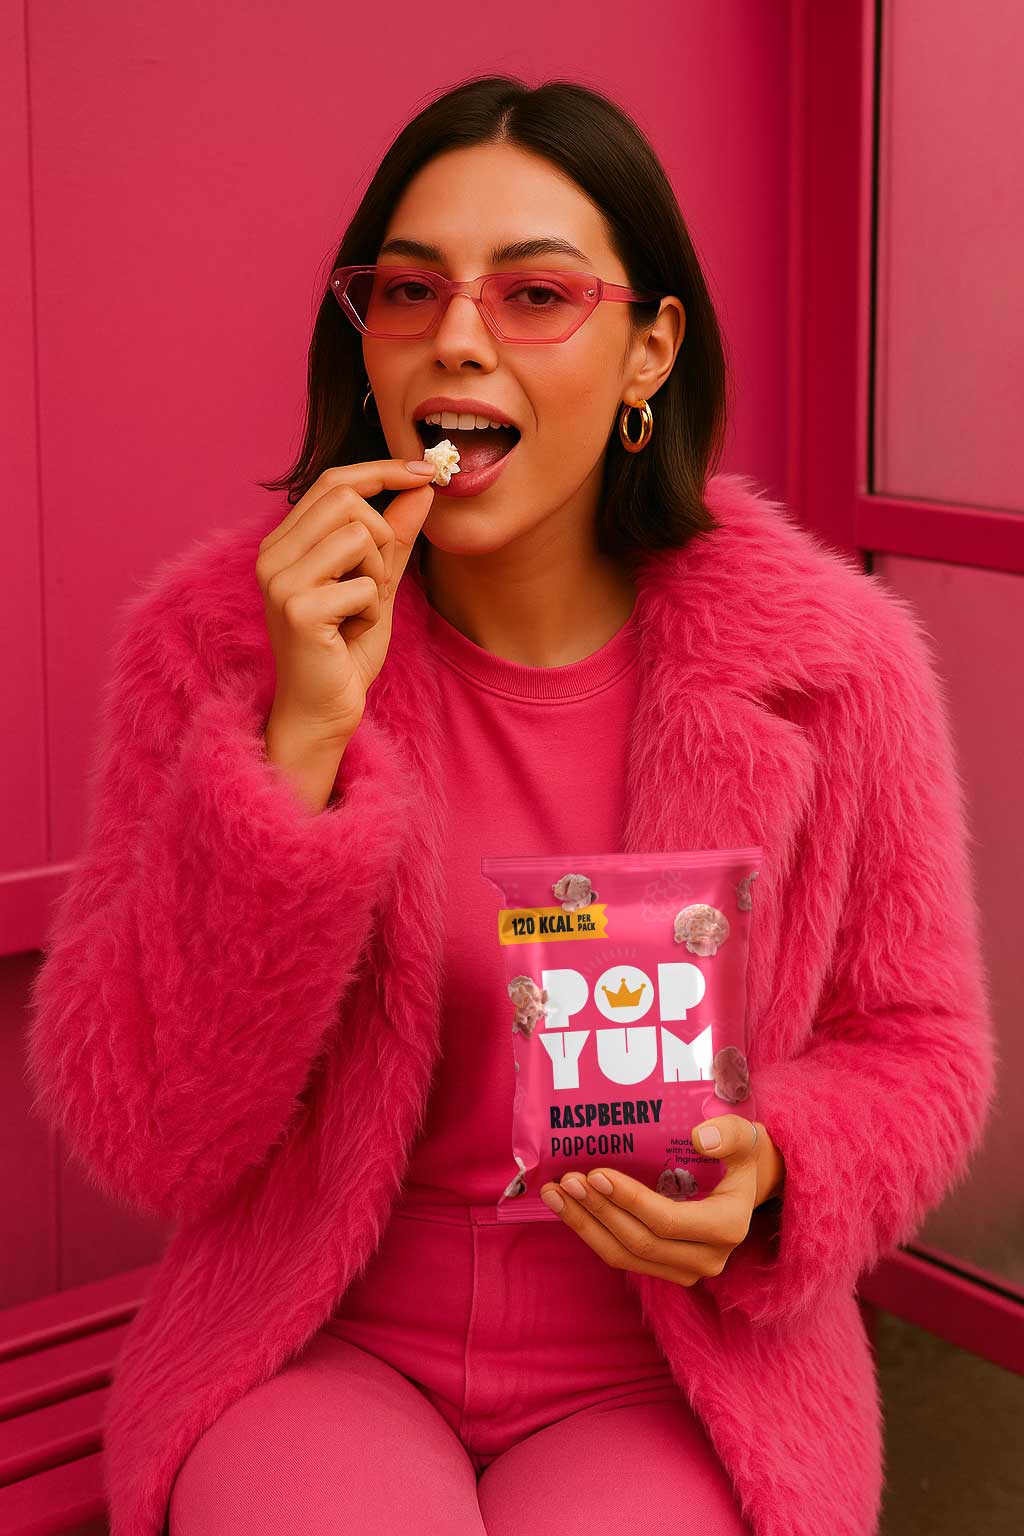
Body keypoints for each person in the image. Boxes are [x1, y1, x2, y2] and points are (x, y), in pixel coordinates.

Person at [25, 76, 995, 1536]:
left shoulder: (834, 666)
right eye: (409, 291)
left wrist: (779, 1168)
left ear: (647, 350)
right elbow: (149, 1131)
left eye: (535, 292)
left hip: (670, 1363)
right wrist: (293, 747)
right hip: (323, 1335)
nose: (457, 335)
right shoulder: (226, 644)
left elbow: (921, 1048)